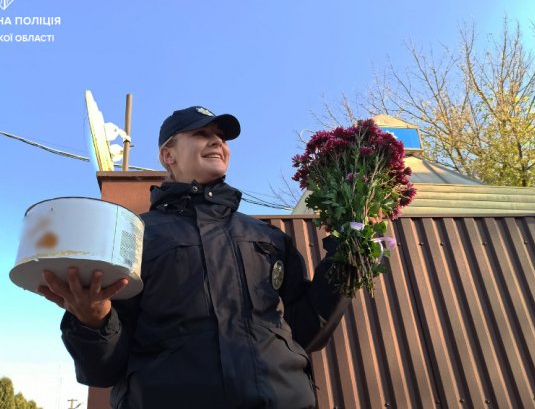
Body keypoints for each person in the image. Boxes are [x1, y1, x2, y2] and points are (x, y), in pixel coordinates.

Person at [38, 105, 351, 409]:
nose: (217, 142)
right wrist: (93, 322)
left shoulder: (268, 237)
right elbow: (105, 369)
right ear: (168, 155)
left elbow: (308, 331)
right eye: (202, 134)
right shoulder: (136, 235)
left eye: (222, 137)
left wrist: (348, 253)